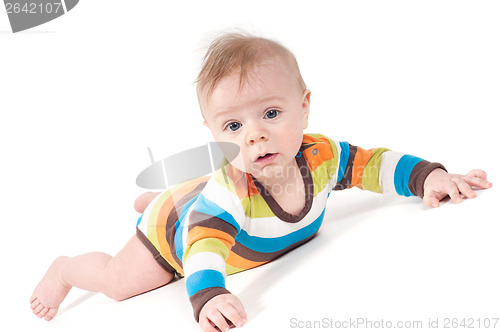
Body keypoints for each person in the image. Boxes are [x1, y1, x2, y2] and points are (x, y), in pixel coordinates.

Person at [30, 32, 492, 332]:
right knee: (118, 282)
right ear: (213, 132)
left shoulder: (323, 157)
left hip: (200, 208)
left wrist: (429, 175)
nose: (254, 133)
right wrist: (209, 295)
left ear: (304, 105)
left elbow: (373, 165)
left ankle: (163, 198)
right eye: (233, 127)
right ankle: (68, 267)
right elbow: (206, 248)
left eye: (271, 113)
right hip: (174, 241)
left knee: (199, 199)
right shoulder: (227, 196)